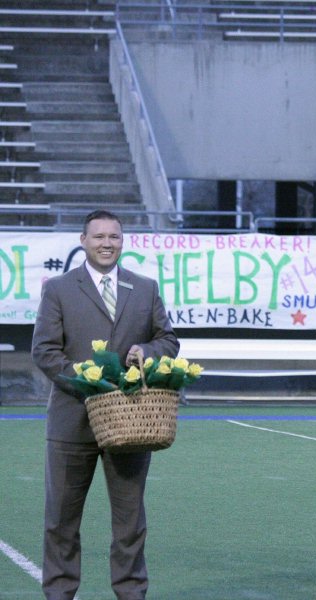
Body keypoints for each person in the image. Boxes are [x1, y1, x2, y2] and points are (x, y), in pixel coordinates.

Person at [32, 210, 179, 600]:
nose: (106, 243)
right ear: (83, 241)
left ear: (123, 241)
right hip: (71, 423)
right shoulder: (59, 289)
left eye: (113, 236)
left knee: (130, 523)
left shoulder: (145, 288)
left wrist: (145, 351)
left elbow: (168, 340)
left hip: (131, 424)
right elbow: (44, 351)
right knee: (61, 521)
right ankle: (59, 594)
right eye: (98, 237)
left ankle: (131, 593)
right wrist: (87, 385)